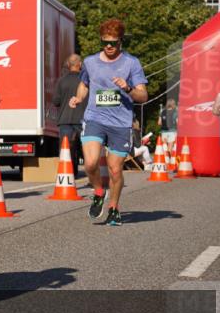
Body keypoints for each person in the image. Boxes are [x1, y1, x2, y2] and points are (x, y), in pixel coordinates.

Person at [69, 19, 148, 226]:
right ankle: (98, 191)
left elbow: (143, 96)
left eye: (113, 42)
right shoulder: (90, 62)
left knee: (115, 169)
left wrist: (128, 88)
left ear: (120, 41)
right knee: (91, 162)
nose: (109, 47)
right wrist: (78, 98)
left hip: (121, 123)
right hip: (94, 118)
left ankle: (113, 207)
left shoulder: (132, 63)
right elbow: (84, 85)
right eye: (105, 42)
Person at [52, 53, 86, 176]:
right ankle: (92, 176)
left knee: (66, 150)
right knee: (86, 150)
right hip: (82, 119)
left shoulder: (61, 81)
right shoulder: (85, 80)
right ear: (80, 65)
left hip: (65, 120)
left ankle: (67, 175)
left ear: (67, 65)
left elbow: (56, 101)